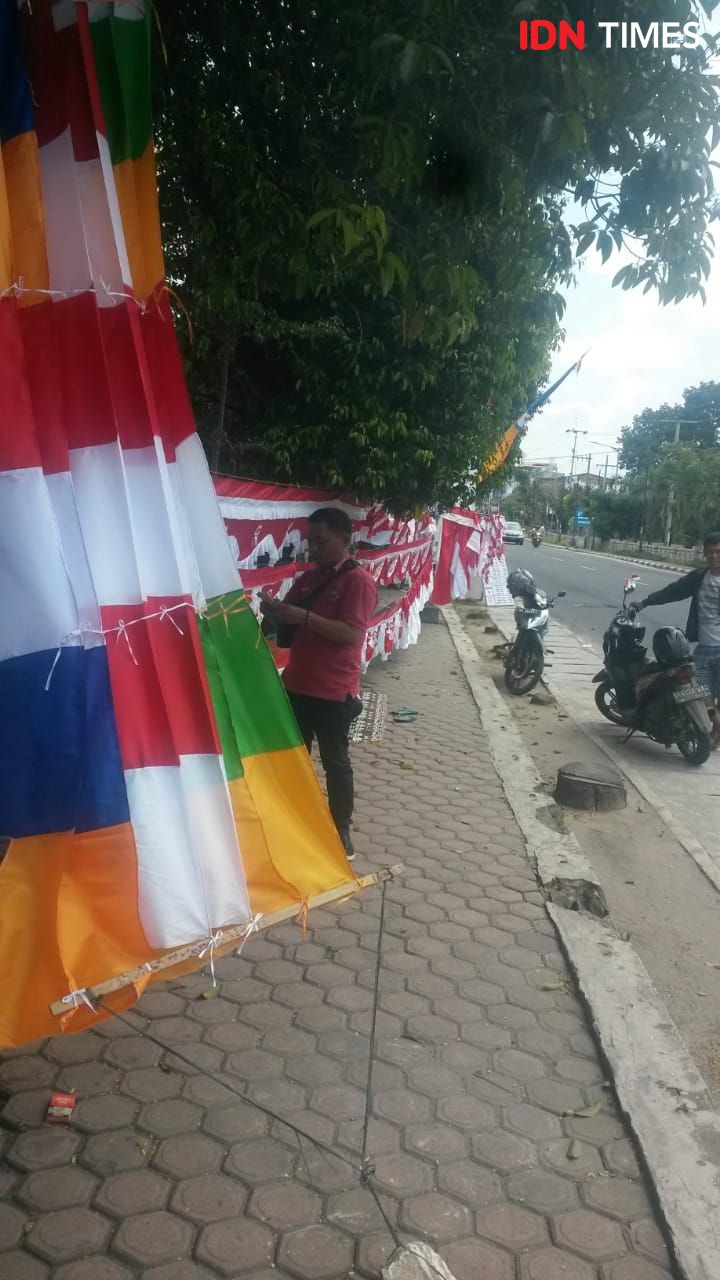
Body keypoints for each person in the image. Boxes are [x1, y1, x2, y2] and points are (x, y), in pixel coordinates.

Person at [259, 508, 378, 858]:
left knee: (335, 763)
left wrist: (305, 618)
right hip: (297, 685)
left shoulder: (359, 582)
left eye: (321, 541)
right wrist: (276, 611)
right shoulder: (309, 579)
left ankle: (341, 829)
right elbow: (291, 622)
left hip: (332, 692)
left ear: (345, 540)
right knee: (293, 759)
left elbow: (351, 633)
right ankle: (293, 820)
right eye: (310, 541)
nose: (313, 548)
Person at [635, 530, 720, 748]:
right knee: (697, 690)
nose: (714, 557)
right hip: (704, 647)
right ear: (704, 553)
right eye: (710, 552)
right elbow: (674, 591)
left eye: (718, 552)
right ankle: (711, 729)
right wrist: (646, 602)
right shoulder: (700, 578)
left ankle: (714, 734)